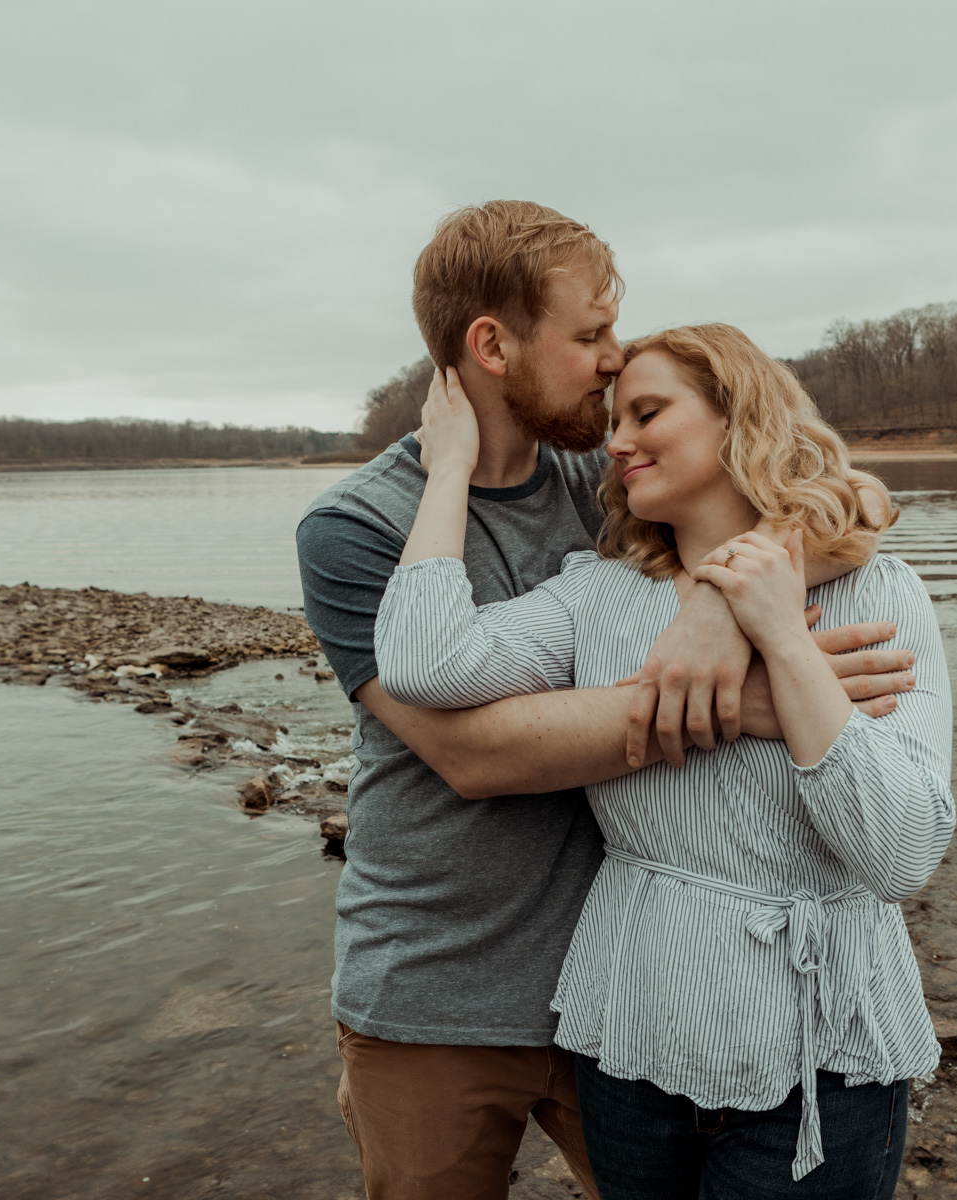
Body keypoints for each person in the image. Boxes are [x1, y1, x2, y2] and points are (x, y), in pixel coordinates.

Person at [296, 202, 918, 1200]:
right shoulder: (354, 527)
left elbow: (824, 492)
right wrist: (742, 703)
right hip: (435, 992)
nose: (611, 358)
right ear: (492, 345)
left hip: (622, 982)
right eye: (589, 335)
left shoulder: (607, 475)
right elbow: (474, 756)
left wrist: (719, 601)